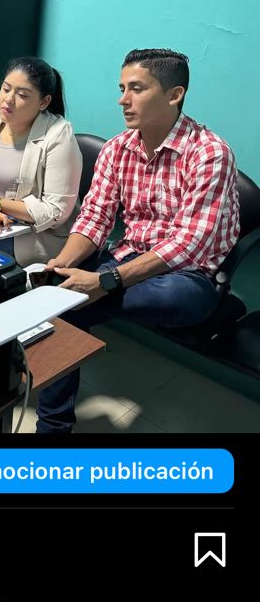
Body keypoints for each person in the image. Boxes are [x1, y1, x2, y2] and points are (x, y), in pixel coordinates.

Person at [34, 49, 240, 433]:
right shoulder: (117, 148)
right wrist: (64, 263)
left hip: (188, 277)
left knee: (90, 299)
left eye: (136, 89)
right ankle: (53, 428)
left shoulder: (210, 153)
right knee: (60, 293)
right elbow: (95, 217)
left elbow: (187, 245)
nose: (122, 100)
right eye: (121, 88)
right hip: (127, 259)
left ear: (174, 95)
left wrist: (103, 282)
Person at [0, 57, 83, 265]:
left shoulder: (58, 134)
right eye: (6, 89)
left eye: (22, 95)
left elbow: (55, 211)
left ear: (43, 102)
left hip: (34, 237)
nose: (8, 99)